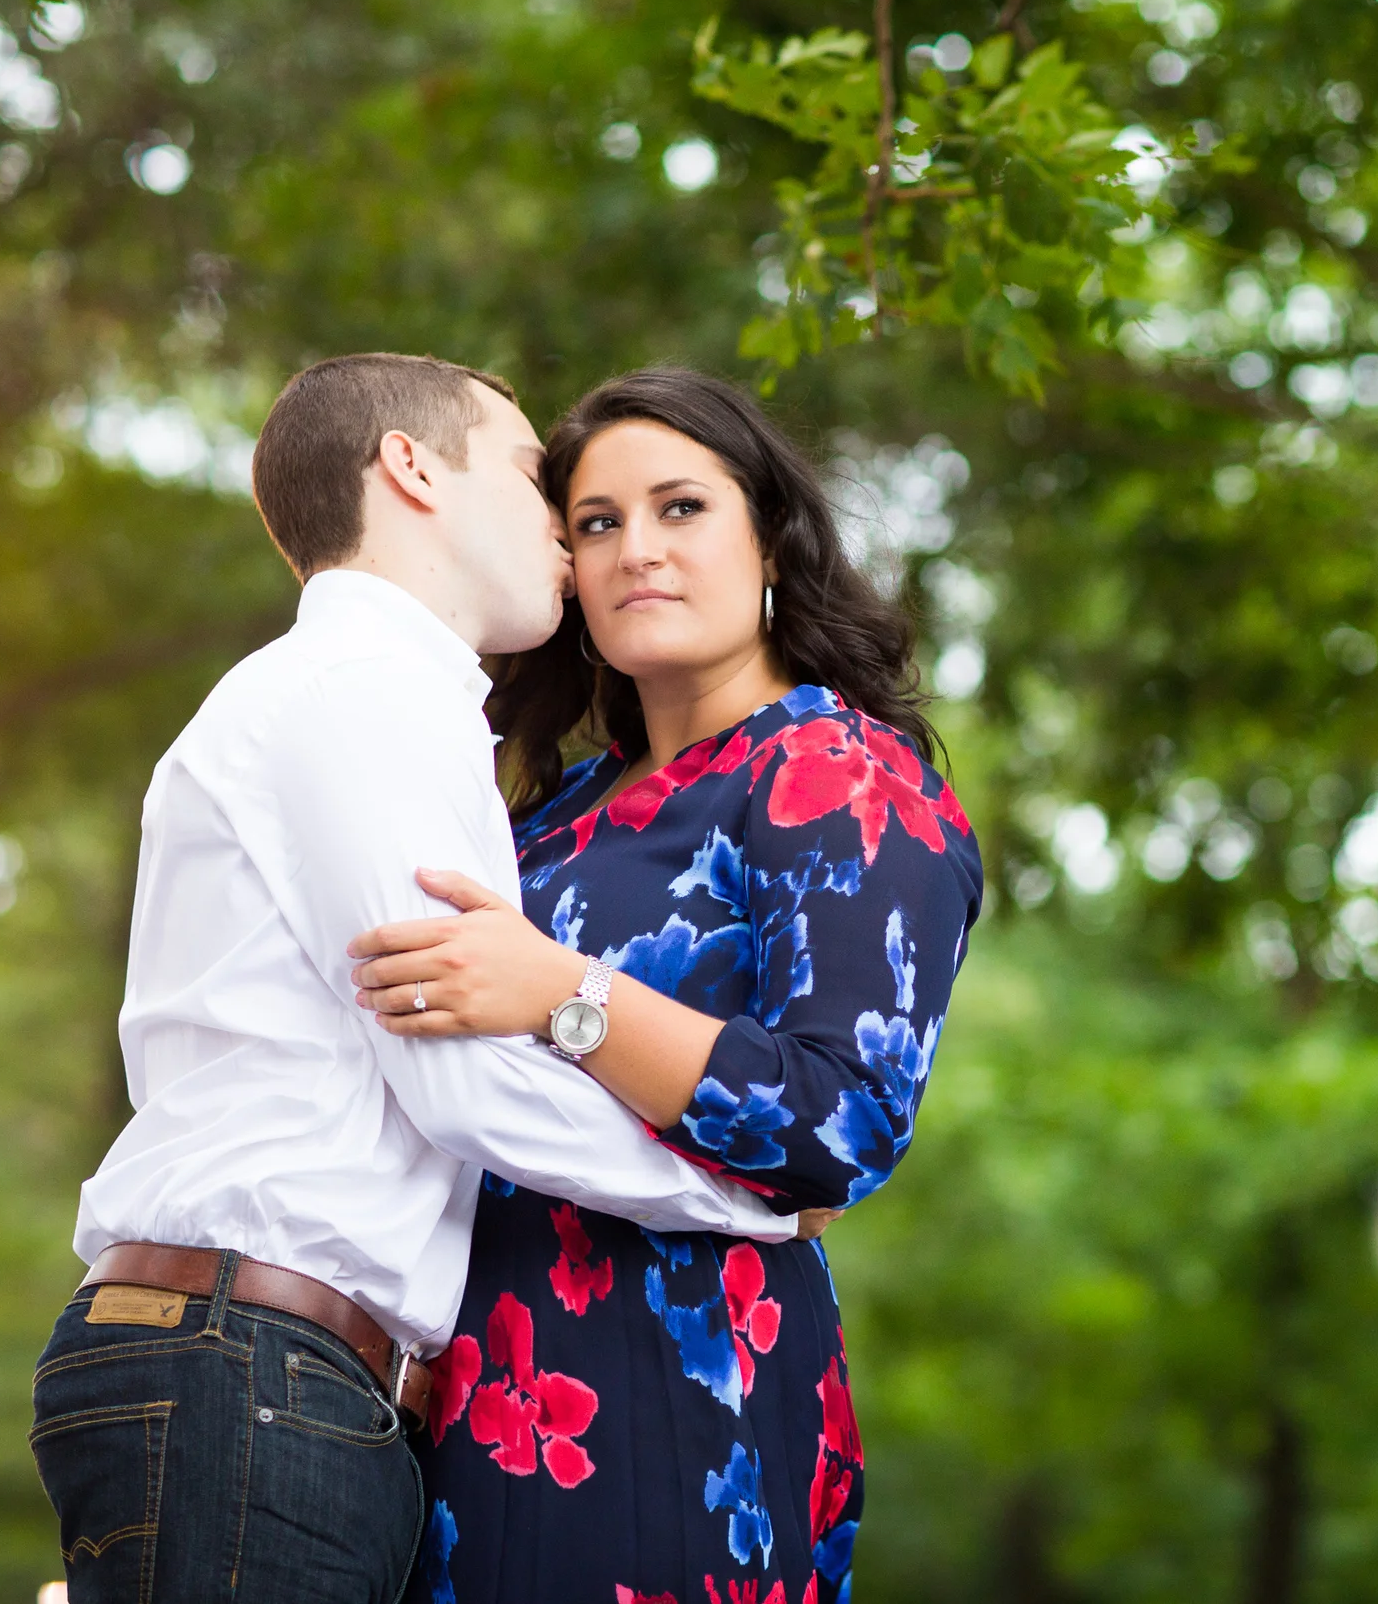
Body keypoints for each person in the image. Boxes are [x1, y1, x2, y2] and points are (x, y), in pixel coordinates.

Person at [33, 355, 803, 1604]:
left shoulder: (383, 702)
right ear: (410, 467)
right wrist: (744, 1196)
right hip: (252, 1366)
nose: (562, 521)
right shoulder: (361, 692)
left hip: (269, 1370)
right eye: (528, 473)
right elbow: (465, 1083)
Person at [343, 367, 982, 1604]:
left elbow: (834, 1125)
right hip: (450, 1394)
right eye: (595, 522)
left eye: (681, 507)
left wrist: (563, 995)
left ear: (771, 546)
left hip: (674, 1385)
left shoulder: (837, 772)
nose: (636, 548)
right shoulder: (551, 813)